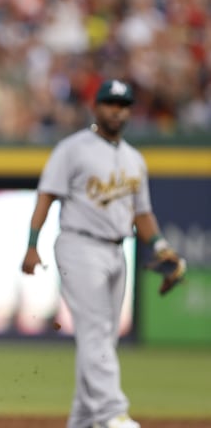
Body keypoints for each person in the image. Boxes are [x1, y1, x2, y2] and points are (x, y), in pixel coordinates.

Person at [21, 79, 185, 428]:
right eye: (110, 103)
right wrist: (32, 244)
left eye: (123, 105)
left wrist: (160, 246)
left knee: (102, 340)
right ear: (96, 107)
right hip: (79, 245)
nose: (117, 110)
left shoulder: (134, 159)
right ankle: (113, 413)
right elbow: (47, 195)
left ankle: (82, 421)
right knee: (96, 333)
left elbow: (142, 213)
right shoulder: (73, 148)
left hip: (115, 250)